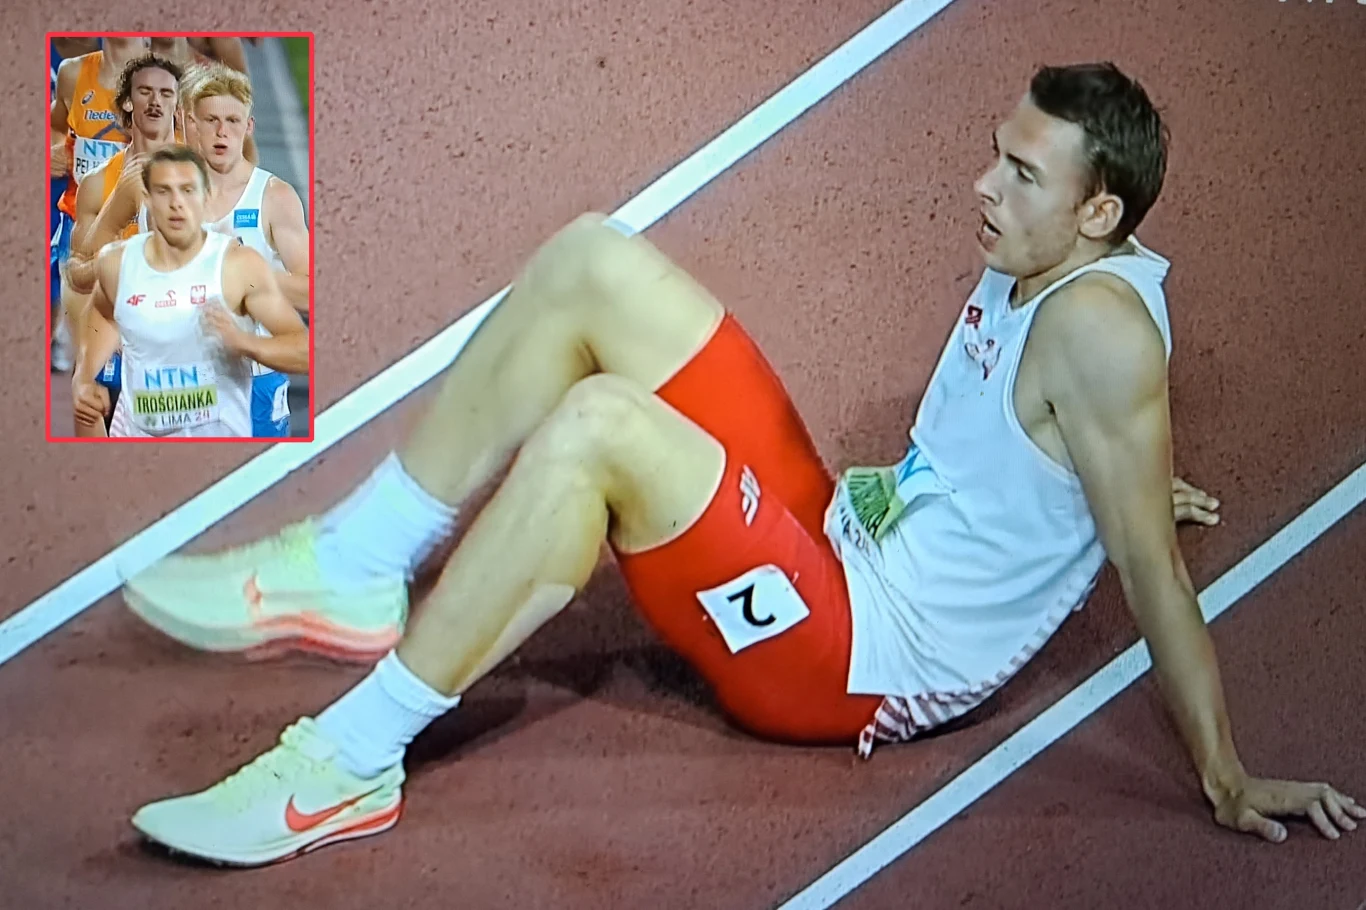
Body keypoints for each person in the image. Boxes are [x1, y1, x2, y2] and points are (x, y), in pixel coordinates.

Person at [122, 62, 1362, 865]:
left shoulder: (1099, 333)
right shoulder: (1054, 253)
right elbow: (1060, 448)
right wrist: (1104, 490)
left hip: (854, 665)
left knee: (600, 425)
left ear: (1099, 215)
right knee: (593, 259)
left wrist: (1225, 774)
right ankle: (359, 561)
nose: (983, 184)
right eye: (997, 150)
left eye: (1021, 174)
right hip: (848, 533)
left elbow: (1152, 572)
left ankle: (347, 762)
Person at [72, 145, 308, 437]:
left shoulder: (238, 267)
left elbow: (304, 350)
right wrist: (84, 375)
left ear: (206, 197)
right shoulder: (116, 263)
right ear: (147, 198)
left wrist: (245, 343)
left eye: (187, 191)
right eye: (164, 191)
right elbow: (102, 314)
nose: (176, 203)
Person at [186, 62, 311, 436]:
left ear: (249, 127)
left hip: (256, 378)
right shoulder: (171, 197)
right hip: (186, 379)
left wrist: (247, 273)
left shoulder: (274, 196)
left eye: (233, 121)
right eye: (211, 121)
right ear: (192, 124)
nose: (222, 132)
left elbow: (310, 293)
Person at [63, 53, 185, 436]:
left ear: (178, 106)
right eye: (145, 91)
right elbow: (78, 272)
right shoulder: (99, 182)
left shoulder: (200, 177)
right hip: (112, 345)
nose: (156, 101)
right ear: (128, 102)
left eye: (166, 93)